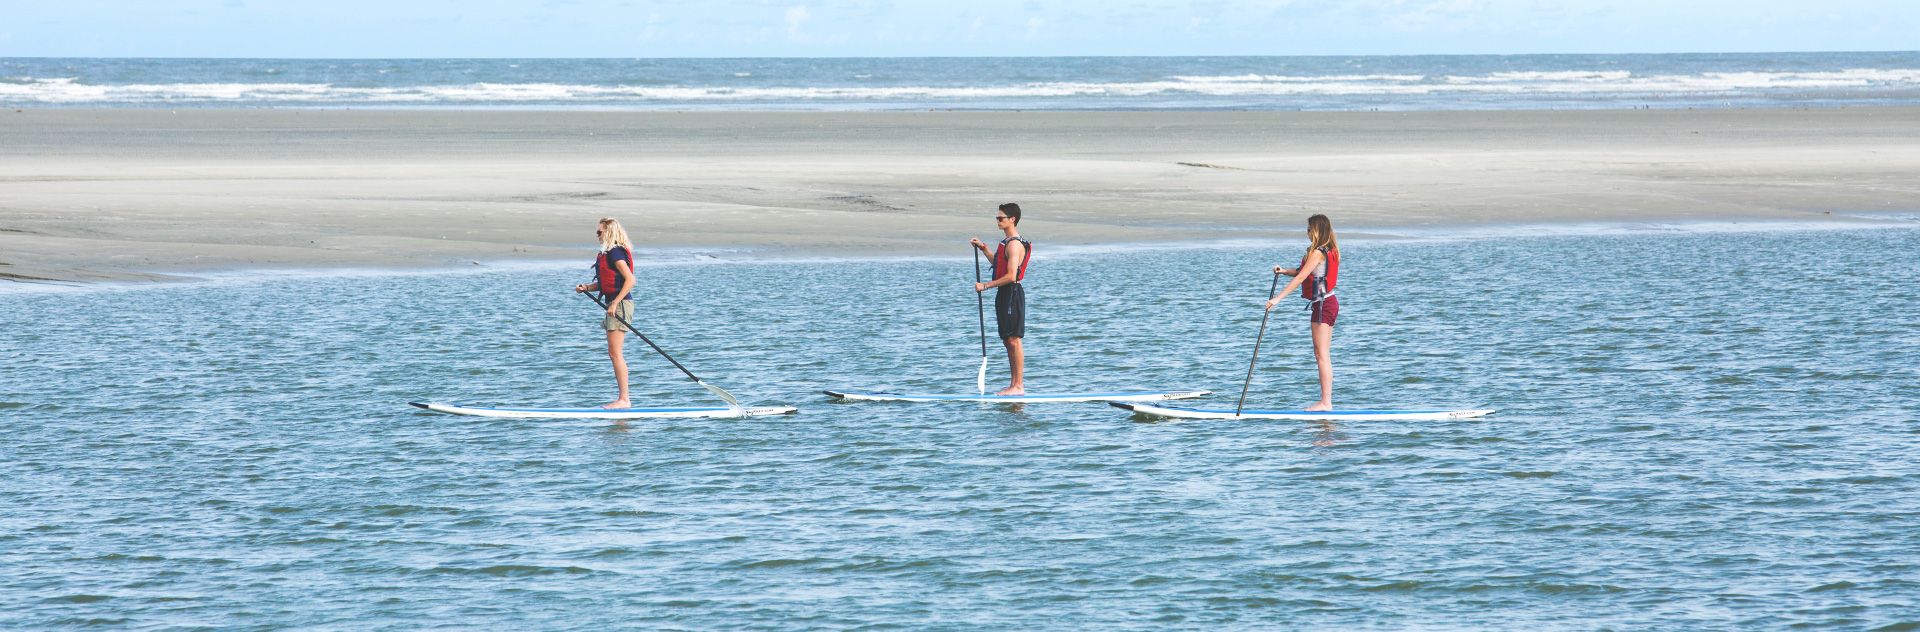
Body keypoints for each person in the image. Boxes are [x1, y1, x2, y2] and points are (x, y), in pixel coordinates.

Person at [1265, 214, 1340, 412]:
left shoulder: (1317, 252)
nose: (1306, 233)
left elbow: (1300, 279)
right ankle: (1326, 401)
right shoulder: (1329, 250)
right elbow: (1303, 271)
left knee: (1321, 354)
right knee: (1321, 354)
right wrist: (1283, 271)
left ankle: (1325, 402)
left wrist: (1277, 299)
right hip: (1327, 303)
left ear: (1316, 230)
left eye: (1309, 229)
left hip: (1323, 305)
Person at [573, 217, 638, 409]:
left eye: (599, 232)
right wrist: (587, 287)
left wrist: (615, 303)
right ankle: (623, 398)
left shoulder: (615, 252)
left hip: (620, 305)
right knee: (613, 353)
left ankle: (624, 399)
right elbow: (606, 283)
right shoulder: (608, 254)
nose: (597, 236)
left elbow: (630, 280)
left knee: (615, 354)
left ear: (609, 232)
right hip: (615, 303)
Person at [971, 203, 1031, 396]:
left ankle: (1018, 386)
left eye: (1001, 218)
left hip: (1012, 293)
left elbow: (1011, 276)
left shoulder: (1014, 245)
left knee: (1014, 340)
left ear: (1012, 219)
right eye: (997, 218)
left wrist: (985, 285)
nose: (998, 221)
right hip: (1004, 294)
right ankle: (1013, 384)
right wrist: (984, 249)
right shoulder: (1007, 243)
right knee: (1007, 340)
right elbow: (999, 265)